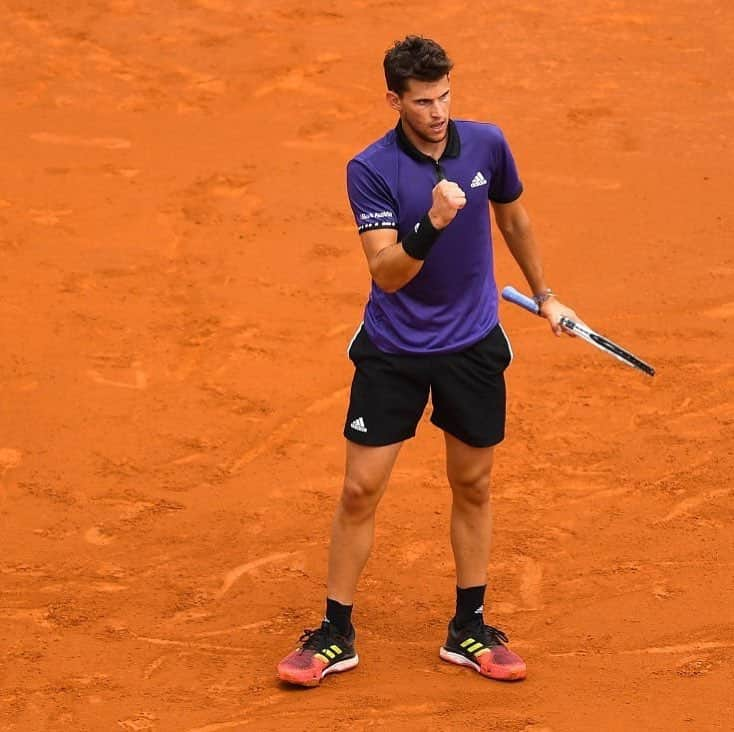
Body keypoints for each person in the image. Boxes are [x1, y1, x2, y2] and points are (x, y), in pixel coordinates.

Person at [277, 35, 579, 687]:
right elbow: (388, 273)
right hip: (394, 350)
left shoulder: (489, 143)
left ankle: (469, 627)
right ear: (394, 100)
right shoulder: (371, 168)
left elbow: (515, 220)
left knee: (472, 484)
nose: (438, 111)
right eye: (422, 101)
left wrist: (547, 295)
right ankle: (335, 632)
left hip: (472, 344)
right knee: (360, 489)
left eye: (444, 96)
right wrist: (434, 223)